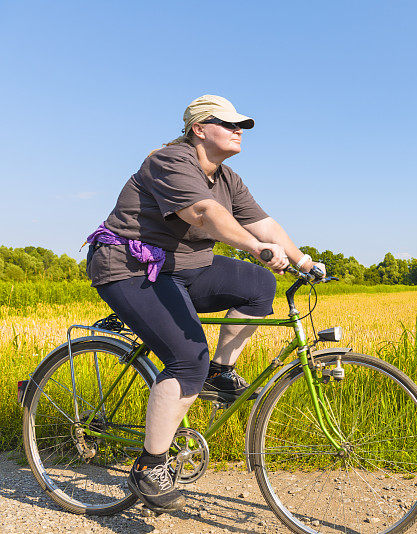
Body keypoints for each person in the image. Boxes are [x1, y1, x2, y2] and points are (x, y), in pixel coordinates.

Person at [84, 95, 324, 514]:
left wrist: (302, 261)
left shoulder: (228, 178)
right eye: (230, 124)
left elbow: (264, 223)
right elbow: (202, 212)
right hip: (129, 268)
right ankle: (150, 466)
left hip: (185, 268)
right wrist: (255, 247)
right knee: (186, 357)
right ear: (199, 128)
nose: (239, 131)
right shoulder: (170, 161)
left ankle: (220, 371)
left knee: (257, 286)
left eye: (243, 126)